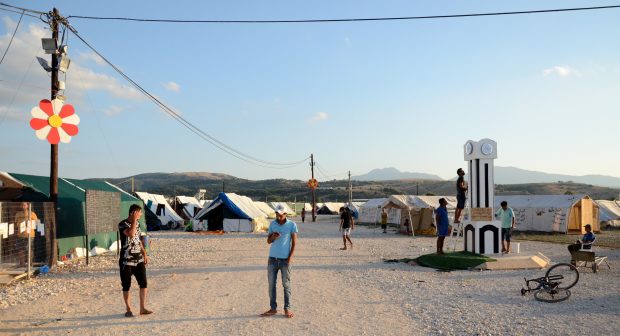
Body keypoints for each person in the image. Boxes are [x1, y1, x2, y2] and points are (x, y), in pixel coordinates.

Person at [261, 206, 298, 319]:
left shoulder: (292, 225)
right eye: (277, 213)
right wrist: (273, 236)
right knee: (271, 285)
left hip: (285, 260)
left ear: (286, 213)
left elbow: (294, 243)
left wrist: (290, 258)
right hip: (272, 259)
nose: (279, 216)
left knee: (286, 285)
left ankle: (287, 308)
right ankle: (273, 308)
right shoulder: (272, 224)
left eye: (281, 214)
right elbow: (268, 241)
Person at [118, 204, 152, 317]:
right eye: (139, 213)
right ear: (134, 212)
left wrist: (144, 253)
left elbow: (137, 239)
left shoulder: (137, 224)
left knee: (144, 283)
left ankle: (142, 308)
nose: (141, 215)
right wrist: (133, 221)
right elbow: (131, 234)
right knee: (126, 286)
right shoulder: (122, 224)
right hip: (126, 261)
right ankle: (128, 309)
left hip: (139, 260)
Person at [14, 202, 39, 267]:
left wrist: (31, 223)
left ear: (27, 206)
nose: (23, 206)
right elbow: (15, 223)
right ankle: (22, 264)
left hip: (30, 235)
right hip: (20, 235)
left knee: (29, 249)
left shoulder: (32, 213)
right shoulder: (18, 214)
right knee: (20, 249)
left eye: (24, 205)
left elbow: (37, 223)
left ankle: (30, 264)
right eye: (22, 205)